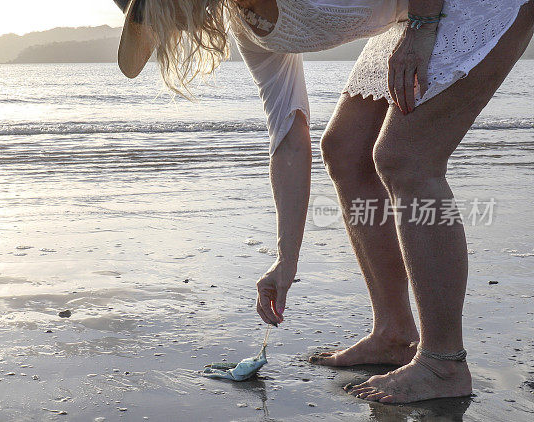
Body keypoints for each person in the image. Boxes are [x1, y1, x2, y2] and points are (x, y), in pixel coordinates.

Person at [111, 0, 534, 403]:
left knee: (406, 158)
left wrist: (422, 31)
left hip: (456, 7)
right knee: (345, 149)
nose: (168, 30)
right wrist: (285, 259)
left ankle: (444, 364)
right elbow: (288, 136)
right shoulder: (251, 29)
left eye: (154, 13)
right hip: (414, 17)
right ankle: (392, 332)